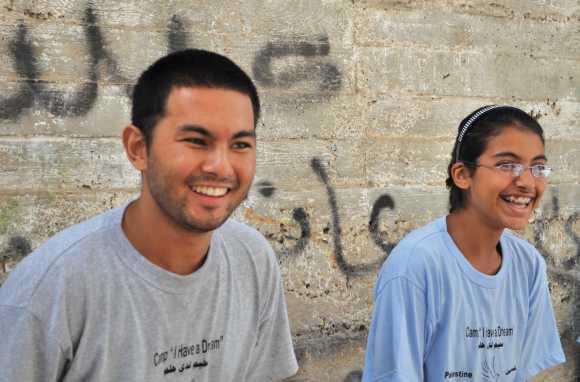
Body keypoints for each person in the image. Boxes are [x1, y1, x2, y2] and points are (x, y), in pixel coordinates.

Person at [0, 49, 298, 381]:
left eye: (240, 145)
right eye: (196, 141)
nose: (221, 167)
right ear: (138, 148)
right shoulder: (50, 291)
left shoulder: (252, 259)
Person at [363, 105, 566, 381]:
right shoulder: (415, 266)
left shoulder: (528, 265)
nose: (527, 181)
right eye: (507, 165)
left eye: (538, 167)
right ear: (462, 175)